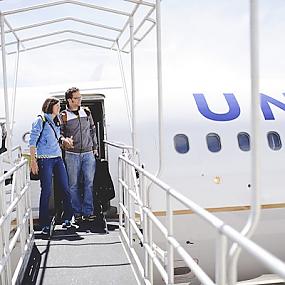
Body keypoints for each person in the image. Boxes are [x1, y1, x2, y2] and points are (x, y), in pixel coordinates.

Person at [29, 97, 74, 235]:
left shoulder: (57, 121)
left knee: (65, 188)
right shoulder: (40, 120)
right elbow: (32, 141)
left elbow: (57, 136)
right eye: (57, 106)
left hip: (58, 158)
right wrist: (33, 160)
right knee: (46, 190)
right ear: (50, 106)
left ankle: (68, 218)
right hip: (45, 159)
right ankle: (44, 224)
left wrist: (64, 140)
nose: (59, 108)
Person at [60, 87, 97, 223]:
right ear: (70, 100)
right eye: (77, 98)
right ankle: (77, 213)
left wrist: (95, 147)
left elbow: (92, 130)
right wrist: (64, 141)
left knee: (89, 183)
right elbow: (60, 133)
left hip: (88, 153)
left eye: (80, 97)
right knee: (73, 185)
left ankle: (88, 212)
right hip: (72, 155)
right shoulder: (63, 115)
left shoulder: (86, 112)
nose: (80, 100)